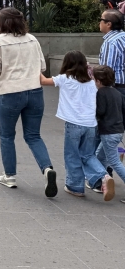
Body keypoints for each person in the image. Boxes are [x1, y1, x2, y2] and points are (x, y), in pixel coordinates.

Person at [0, 7, 57, 196]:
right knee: (33, 135)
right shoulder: (32, 39)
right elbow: (42, 66)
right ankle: (47, 168)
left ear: (3, 23)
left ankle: (9, 175)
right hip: (34, 91)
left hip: (10, 92)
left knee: (7, 135)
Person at [40, 51, 115, 201]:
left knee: (72, 155)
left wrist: (36, 67)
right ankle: (104, 175)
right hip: (90, 124)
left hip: (73, 124)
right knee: (88, 155)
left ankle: (75, 186)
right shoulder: (92, 81)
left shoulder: (65, 78)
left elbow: (43, 81)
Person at [92, 65, 125, 197]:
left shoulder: (100, 93)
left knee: (113, 161)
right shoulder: (117, 93)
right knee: (98, 155)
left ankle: (104, 179)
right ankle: (100, 180)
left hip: (108, 132)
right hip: (118, 131)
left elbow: (100, 111)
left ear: (98, 81)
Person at [98, 9, 125, 95]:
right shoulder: (123, 36)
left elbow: (106, 70)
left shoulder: (111, 42)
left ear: (109, 24)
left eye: (101, 20)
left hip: (117, 87)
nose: (99, 23)